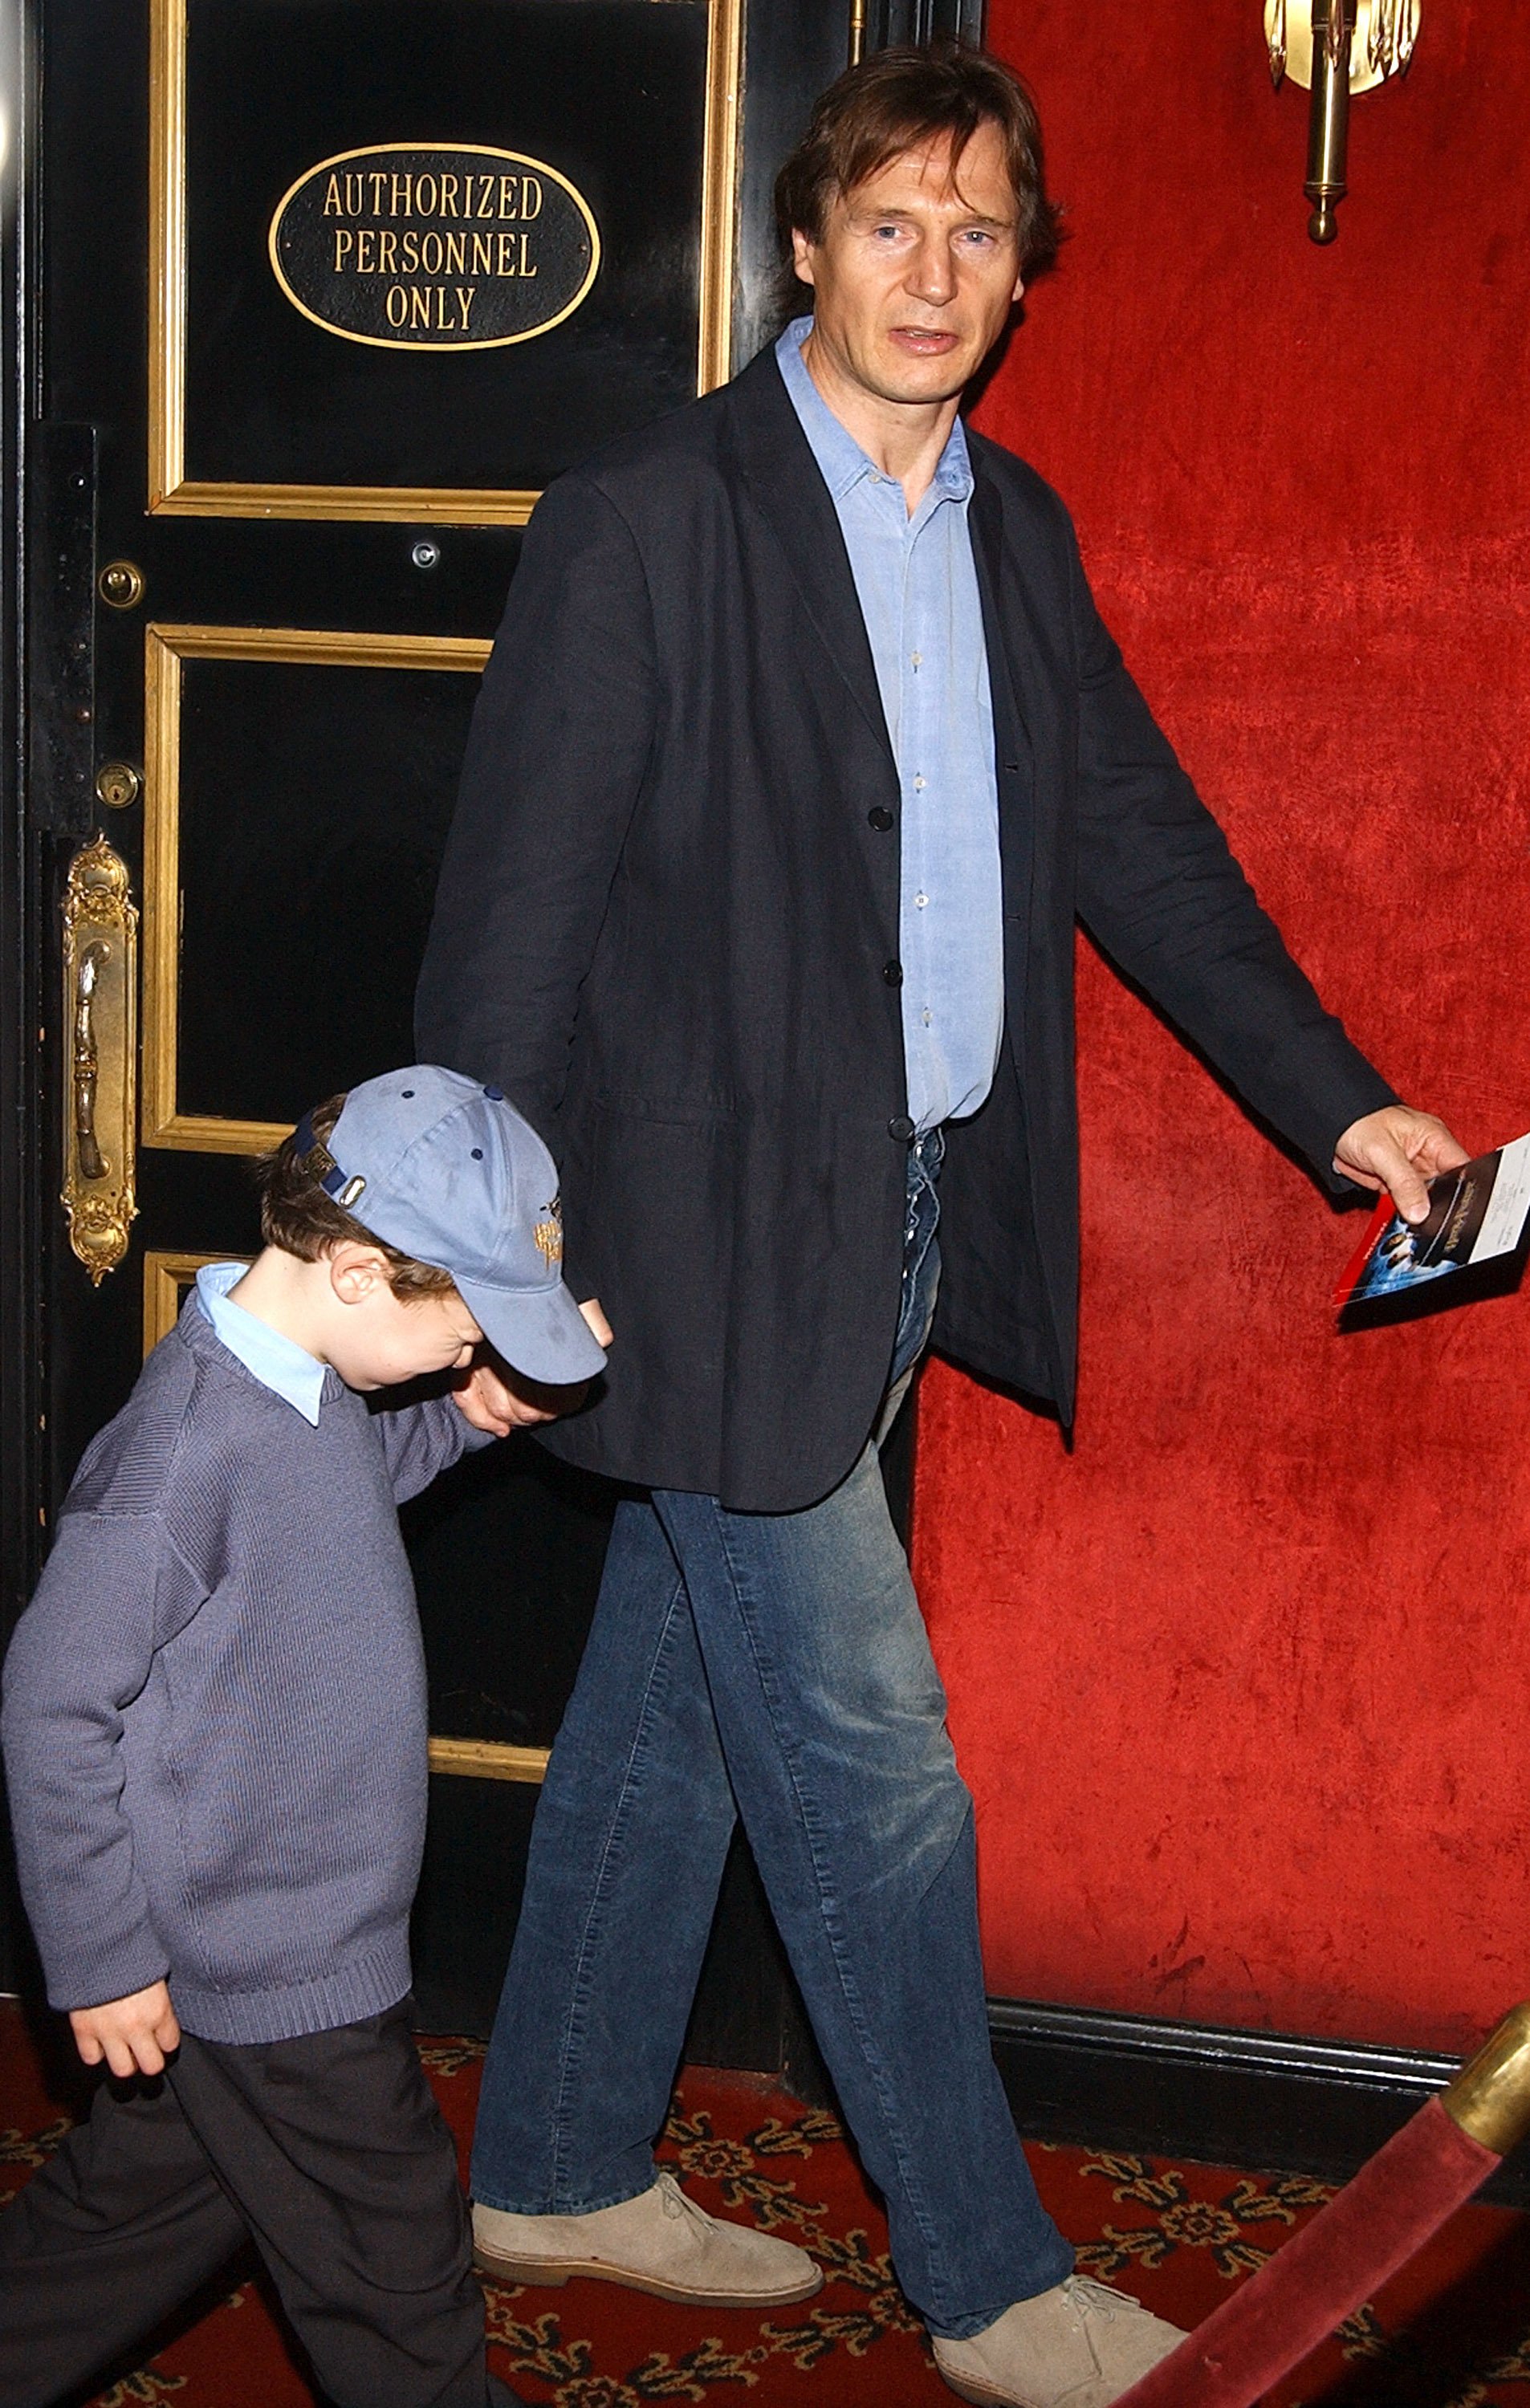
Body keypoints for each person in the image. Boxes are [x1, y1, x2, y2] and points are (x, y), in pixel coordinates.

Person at [414, 42, 1467, 2408]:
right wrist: (486, 1269)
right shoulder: (654, 511)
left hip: (900, 1213)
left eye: (979, 231)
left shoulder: (1018, 531)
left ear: (1019, 275)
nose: (933, 270)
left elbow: (1141, 845)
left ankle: (560, 2158)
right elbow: (506, 939)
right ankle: (992, 2285)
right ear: (804, 243)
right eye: (888, 221)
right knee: (874, 1751)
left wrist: (1343, 1104)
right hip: (679, 1242)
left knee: (670, 1703)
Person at [0, 1067, 609, 2408]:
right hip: (267, 1956)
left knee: (136, 2223)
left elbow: (347, 1488)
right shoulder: (178, 1459)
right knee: (401, 2284)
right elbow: (52, 1705)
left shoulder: (309, 1386)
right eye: (465, 1332)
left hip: (270, 1948)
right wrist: (100, 1957)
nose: (475, 1353)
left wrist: (463, 1417)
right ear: (355, 1273)